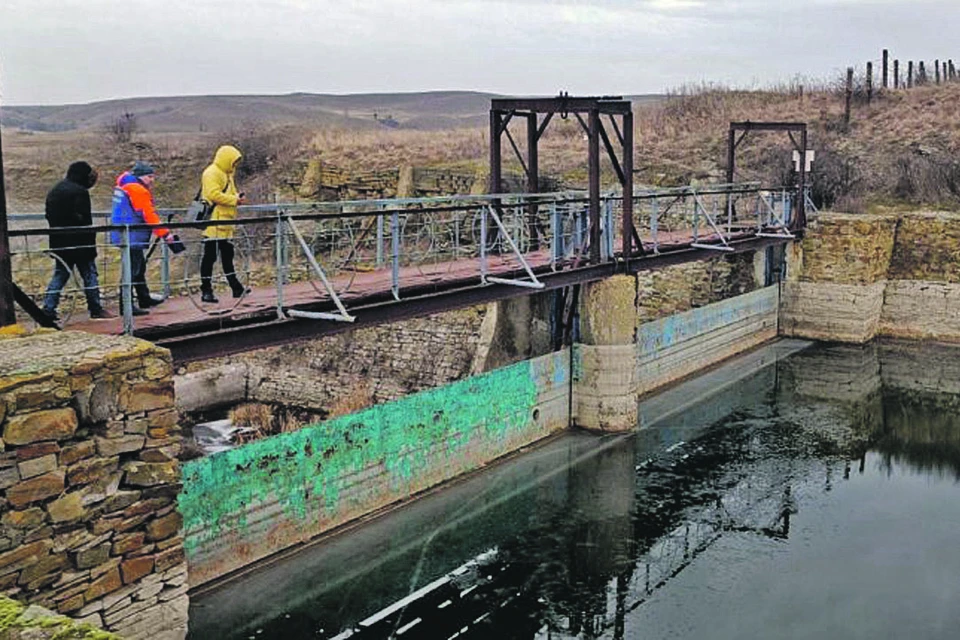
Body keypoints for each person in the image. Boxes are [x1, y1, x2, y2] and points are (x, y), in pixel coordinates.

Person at [42, 161, 114, 322]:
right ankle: (95, 309)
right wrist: (90, 243)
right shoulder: (80, 192)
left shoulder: (55, 189)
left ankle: (48, 309)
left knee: (60, 275)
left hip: (59, 242)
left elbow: (50, 216)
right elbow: (84, 220)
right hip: (81, 243)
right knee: (89, 275)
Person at [110, 161, 183, 315]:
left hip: (125, 233)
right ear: (141, 177)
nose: (152, 180)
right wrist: (165, 234)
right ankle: (127, 306)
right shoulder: (138, 190)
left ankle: (143, 297)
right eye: (149, 176)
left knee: (139, 267)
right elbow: (148, 214)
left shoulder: (124, 185)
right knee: (132, 270)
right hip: (132, 235)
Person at [199, 145, 250, 303]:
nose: (235, 165)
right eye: (233, 162)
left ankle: (236, 287)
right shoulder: (211, 173)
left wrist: (236, 197)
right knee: (210, 257)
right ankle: (206, 290)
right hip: (215, 222)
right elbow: (213, 195)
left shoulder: (227, 174)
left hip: (226, 222)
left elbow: (228, 192)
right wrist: (235, 200)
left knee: (227, 256)